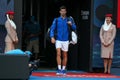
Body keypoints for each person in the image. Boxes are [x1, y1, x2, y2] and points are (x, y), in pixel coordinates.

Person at [50, 6, 76, 75]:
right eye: (62, 11)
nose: (63, 12)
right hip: (58, 39)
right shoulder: (56, 20)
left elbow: (74, 28)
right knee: (58, 53)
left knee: (65, 55)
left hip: (66, 40)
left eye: (64, 11)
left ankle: (63, 69)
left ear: (66, 12)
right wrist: (52, 37)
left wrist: (71, 24)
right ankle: (59, 69)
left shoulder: (69, 19)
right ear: (60, 12)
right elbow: (52, 29)